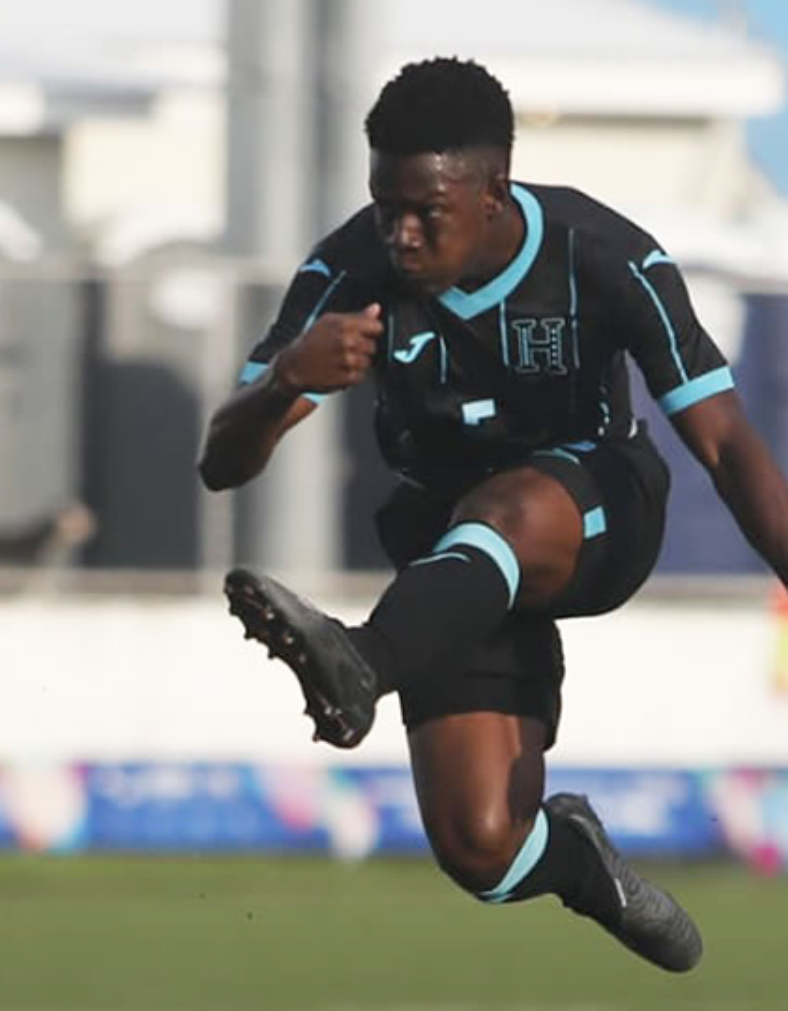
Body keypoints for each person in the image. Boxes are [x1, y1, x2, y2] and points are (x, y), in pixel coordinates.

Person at [201, 58, 788, 973]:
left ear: (492, 191)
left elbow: (726, 444)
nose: (399, 232)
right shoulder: (347, 270)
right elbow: (220, 464)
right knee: (480, 848)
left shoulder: (605, 255)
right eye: (384, 202)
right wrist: (283, 381)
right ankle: (580, 863)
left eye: (425, 210)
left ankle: (364, 660)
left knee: (508, 504)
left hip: (596, 515)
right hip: (450, 569)